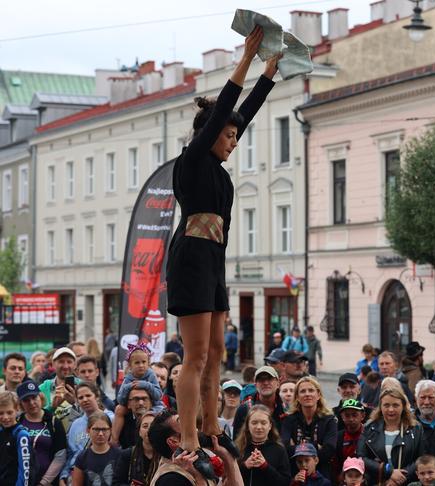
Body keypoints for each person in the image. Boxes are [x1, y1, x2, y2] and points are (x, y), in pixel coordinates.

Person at [164, 25, 278, 479]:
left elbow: (241, 114)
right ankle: (190, 431)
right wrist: (247, 59)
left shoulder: (219, 167)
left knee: (215, 352)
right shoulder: (192, 159)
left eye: (235, 138)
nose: (233, 141)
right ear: (208, 134)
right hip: (191, 259)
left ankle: (211, 421)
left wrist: (269, 74)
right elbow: (227, 111)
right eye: (227, 137)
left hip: (214, 264)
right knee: (193, 356)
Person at [147, 409, 241, 486]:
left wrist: (226, 456)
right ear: (174, 441)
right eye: (181, 421)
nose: (192, 425)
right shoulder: (170, 479)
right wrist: (198, 477)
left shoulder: (197, 464)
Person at [357, 387, 424, 486]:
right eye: (386, 405)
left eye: (395, 405)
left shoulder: (416, 428)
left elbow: (422, 458)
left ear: (403, 406)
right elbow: (361, 457)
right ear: (380, 407)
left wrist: (400, 477)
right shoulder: (369, 428)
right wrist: (388, 471)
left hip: (407, 482)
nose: (391, 409)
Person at [280, 376, 337, 479]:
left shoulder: (329, 420)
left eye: (311, 390)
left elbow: (329, 450)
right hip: (294, 474)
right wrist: (317, 446)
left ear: (318, 395)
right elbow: (285, 449)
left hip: (322, 476)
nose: (307, 394)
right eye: (303, 391)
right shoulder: (288, 420)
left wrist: (299, 447)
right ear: (297, 397)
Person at [62, 382, 115, 483]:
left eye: (88, 395)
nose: (85, 400)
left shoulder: (111, 419)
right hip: (74, 474)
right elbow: (70, 454)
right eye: (81, 398)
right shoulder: (75, 424)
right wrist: (63, 476)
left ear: (97, 396)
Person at [17, 379, 67, 486]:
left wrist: (44, 483)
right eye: (26, 400)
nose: (31, 403)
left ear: (41, 396)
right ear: (21, 403)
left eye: (34, 397)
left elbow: (60, 456)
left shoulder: (54, 422)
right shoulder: (17, 422)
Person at [111, 343, 162, 446]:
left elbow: (158, 395)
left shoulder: (151, 374)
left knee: (160, 415)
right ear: (130, 365)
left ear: (148, 363)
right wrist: (128, 387)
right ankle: (114, 440)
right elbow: (120, 399)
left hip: (154, 405)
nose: (141, 365)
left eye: (144, 362)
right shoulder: (128, 378)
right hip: (132, 405)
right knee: (119, 409)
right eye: (137, 363)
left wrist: (146, 385)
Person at [236, 404, 291, 486]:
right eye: (254, 423)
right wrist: (245, 466)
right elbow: (228, 478)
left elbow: (285, 482)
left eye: (263, 423)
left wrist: (265, 466)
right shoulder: (238, 448)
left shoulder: (279, 450)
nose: (259, 427)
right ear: (247, 426)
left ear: (270, 426)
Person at [70, 411, 119, 486]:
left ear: (110, 430)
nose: (100, 434)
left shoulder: (119, 455)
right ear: (88, 430)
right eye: (96, 429)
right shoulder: (82, 458)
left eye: (104, 429)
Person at [234, 366, 287, 433]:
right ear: (255, 385)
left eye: (270, 379)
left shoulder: (287, 408)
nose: (265, 383)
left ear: (278, 383)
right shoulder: (245, 409)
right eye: (261, 380)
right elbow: (237, 440)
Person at [39, 347, 80, 432]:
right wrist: (52, 407)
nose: (65, 366)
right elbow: (36, 417)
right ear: (53, 364)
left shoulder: (83, 386)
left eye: (69, 362)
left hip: (76, 438)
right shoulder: (44, 387)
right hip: (51, 437)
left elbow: (91, 416)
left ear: (75, 364)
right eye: (61, 361)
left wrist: (74, 403)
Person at [111, 411, 157, 486]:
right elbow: (116, 483)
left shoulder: (165, 455)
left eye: (153, 426)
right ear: (139, 431)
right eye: (145, 426)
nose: (149, 430)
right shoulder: (127, 454)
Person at [0, 390, 31, 486]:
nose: (5, 417)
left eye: (9, 412)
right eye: (1, 413)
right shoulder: (1, 431)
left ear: (17, 409)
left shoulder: (21, 435)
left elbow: (25, 470)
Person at [334, 399, 366, 481]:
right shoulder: (338, 437)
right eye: (347, 416)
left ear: (362, 416)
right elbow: (336, 463)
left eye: (355, 415)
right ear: (342, 417)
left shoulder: (370, 435)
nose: (351, 419)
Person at [413, 380, 435, 452]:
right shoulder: (410, 424)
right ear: (416, 399)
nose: (426, 402)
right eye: (422, 397)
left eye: (431, 397)